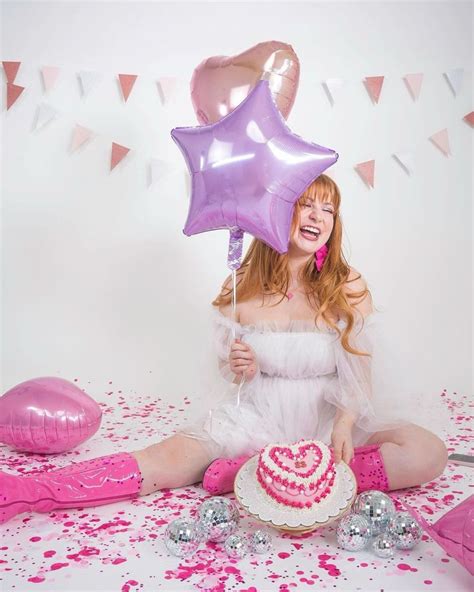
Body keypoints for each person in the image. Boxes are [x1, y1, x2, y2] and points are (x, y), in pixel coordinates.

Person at [0, 174, 448, 524]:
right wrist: (239, 364)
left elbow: (359, 368)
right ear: (278, 212)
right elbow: (228, 371)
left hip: (330, 418)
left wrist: (347, 424)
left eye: (328, 209)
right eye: (305, 205)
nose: (317, 217)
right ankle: (26, 491)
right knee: (166, 460)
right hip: (257, 415)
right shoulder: (241, 288)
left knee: (427, 451)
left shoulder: (345, 285)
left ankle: (264, 476)